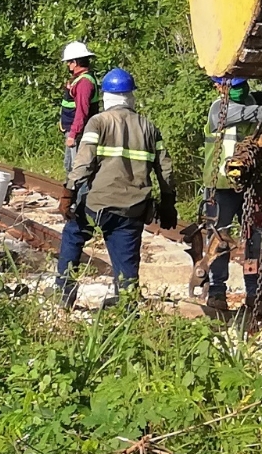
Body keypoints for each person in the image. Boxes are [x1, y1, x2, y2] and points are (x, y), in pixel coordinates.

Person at [56, 67, 176, 310]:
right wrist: (168, 203)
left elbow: (83, 163)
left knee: (73, 236)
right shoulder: (148, 127)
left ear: (106, 96)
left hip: (98, 204)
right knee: (127, 257)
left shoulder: (98, 122)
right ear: (131, 95)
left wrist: (68, 192)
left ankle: (64, 296)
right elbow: (166, 170)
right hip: (132, 207)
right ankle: (127, 305)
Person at [199, 77, 262, 311]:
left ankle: (254, 293)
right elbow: (241, 114)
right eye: (234, 86)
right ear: (219, 87)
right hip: (220, 186)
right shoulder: (217, 109)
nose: (238, 90)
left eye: (241, 85)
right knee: (219, 239)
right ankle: (217, 292)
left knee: (254, 239)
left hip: (249, 186)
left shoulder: (255, 105)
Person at [59, 41, 100, 172]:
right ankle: (70, 191)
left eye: (69, 62)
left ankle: (78, 192)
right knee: (69, 165)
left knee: (77, 168)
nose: (67, 64)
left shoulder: (84, 83)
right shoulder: (80, 80)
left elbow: (81, 111)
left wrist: (73, 134)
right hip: (72, 129)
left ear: (75, 62)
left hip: (78, 132)